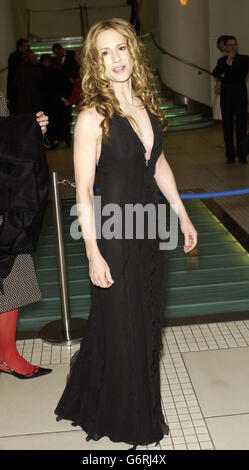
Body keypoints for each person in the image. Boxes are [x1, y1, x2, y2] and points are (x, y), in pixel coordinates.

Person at [54, 18, 197, 450]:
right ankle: (132, 420)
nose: (115, 59)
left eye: (121, 49)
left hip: (150, 228)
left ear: (134, 51)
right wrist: (93, 255)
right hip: (114, 233)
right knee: (124, 326)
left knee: (147, 323)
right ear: (95, 63)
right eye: (105, 53)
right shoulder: (92, 117)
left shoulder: (147, 105)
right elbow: (81, 191)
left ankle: (93, 398)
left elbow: (159, 165)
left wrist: (182, 215)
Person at [0, 91, 52, 379]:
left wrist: (30, 130)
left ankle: (7, 354)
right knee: (13, 270)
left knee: (14, 272)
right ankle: (7, 356)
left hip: (7, 198)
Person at [212, 35, 249, 164]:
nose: (233, 47)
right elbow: (215, 73)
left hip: (240, 97)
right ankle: (230, 155)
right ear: (226, 47)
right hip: (226, 98)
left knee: (241, 126)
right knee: (227, 126)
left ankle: (242, 154)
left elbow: (239, 75)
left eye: (234, 44)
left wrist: (226, 72)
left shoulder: (244, 59)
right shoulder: (221, 61)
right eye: (230, 45)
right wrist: (227, 65)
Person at [12, 49, 44, 115]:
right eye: (35, 57)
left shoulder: (19, 70)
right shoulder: (37, 70)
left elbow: (15, 84)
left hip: (21, 102)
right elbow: (41, 86)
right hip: (34, 102)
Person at [7, 38, 29, 113]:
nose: (27, 48)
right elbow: (14, 73)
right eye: (25, 46)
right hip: (15, 88)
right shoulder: (14, 56)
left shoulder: (23, 56)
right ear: (20, 47)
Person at [213, 36, 228, 122]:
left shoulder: (239, 58)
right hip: (223, 86)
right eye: (221, 44)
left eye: (224, 44)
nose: (222, 46)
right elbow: (217, 73)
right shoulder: (221, 60)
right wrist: (217, 84)